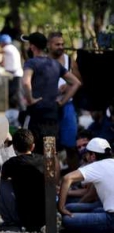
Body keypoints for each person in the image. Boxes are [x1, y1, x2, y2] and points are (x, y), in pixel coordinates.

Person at [21, 32, 81, 155]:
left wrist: (31, 99)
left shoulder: (31, 63)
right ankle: (54, 175)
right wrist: (62, 101)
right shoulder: (56, 64)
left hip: (36, 115)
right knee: (51, 153)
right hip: (53, 115)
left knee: (33, 151)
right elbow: (76, 83)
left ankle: (38, 175)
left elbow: (26, 83)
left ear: (32, 47)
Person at [58, 138, 114, 233]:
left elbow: (67, 178)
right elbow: (91, 194)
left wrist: (61, 207)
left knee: (67, 219)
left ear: (93, 156)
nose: (85, 156)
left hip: (111, 218)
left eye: (87, 154)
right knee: (74, 209)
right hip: (107, 211)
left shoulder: (97, 166)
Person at [0, 129, 45, 232]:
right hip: (43, 216)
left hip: (23, 216)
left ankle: (11, 222)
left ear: (14, 147)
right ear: (33, 146)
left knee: (0, 183)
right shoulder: (44, 160)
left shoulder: (12, 163)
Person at [48, 31, 83, 171]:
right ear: (49, 45)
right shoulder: (44, 61)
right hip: (50, 106)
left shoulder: (69, 61)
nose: (60, 47)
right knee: (50, 145)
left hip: (67, 106)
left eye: (62, 44)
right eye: (57, 44)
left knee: (71, 145)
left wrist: (68, 86)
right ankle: (52, 183)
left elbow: (79, 80)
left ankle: (74, 178)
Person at [0, 34, 23, 110]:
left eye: (0, 43)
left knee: (15, 95)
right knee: (12, 94)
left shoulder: (8, 48)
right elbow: (3, 63)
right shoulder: (11, 49)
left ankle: (20, 111)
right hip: (13, 75)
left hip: (16, 75)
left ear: (3, 42)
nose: (0, 44)